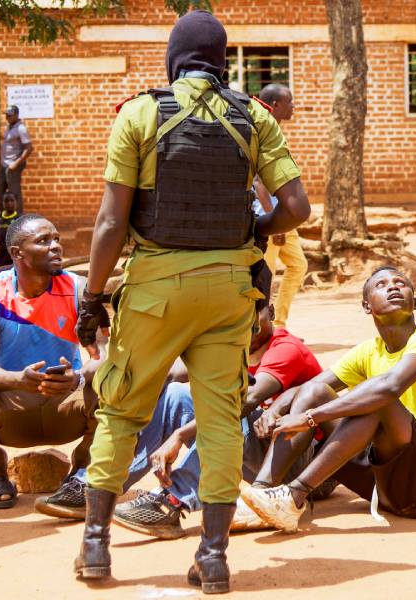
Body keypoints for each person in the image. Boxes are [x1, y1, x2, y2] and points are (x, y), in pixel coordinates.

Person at [72, 10, 310, 594]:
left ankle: (97, 547)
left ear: (173, 59)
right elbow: (297, 209)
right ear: (224, 60)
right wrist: (257, 232)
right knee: (222, 421)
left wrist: (94, 295)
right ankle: (214, 557)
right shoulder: (253, 117)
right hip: (230, 293)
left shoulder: (139, 112)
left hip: (154, 289)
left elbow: (110, 221)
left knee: (122, 412)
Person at [241, 267, 416, 533]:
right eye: (382, 284)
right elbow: (311, 387)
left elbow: (389, 388)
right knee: (314, 393)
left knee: (376, 400)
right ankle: (262, 493)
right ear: (367, 305)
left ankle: (294, 496)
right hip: (386, 486)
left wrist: (310, 418)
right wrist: (277, 407)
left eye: (401, 283)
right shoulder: (368, 352)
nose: (393, 287)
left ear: (414, 302)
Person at [110, 305, 324, 539]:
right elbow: (170, 374)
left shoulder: (286, 349)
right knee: (175, 395)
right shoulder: (231, 345)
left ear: (271, 312)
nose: (247, 321)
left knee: (232, 411)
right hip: (260, 453)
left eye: (256, 312)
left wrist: (180, 435)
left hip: (304, 465)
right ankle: (109, 485)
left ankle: (171, 501)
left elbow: (246, 402)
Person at [0, 214, 101, 509]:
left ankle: (83, 469)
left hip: (65, 402)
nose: (56, 246)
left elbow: (104, 355)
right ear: (18, 253)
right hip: (12, 408)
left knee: (118, 391)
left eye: (56, 238)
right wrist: (19, 380)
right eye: (44, 241)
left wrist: (78, 377)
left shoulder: (79, 289)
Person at [253, 83, 307, 330]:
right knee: (267, 274)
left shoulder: (275, 129)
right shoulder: (262, 128)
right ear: (275, 105)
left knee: (298, 266)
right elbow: (258, 183)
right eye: (290, 102)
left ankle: (279, 325)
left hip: (282, 216)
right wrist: (274, 223)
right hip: (269, 217)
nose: (293, 106)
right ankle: (262, 330)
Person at [0, 105, 31, 214]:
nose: (7, 117)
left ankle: (18, 219)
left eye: (10, 115)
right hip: (5, 164)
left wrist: (16, 163)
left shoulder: (21, 128)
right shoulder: (9, 127)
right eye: (7, 115)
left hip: (13, 165)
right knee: (0, 191)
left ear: (16, 115)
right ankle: (4, 219)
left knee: (14, 193)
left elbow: (29, 148)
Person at [0, 192, 18, 266]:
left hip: (12, 250)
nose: (9, 203)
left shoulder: (18, 218)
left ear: (16, 202)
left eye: (12, 201)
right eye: (6, 201)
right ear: (2, 202)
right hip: (2, 250)